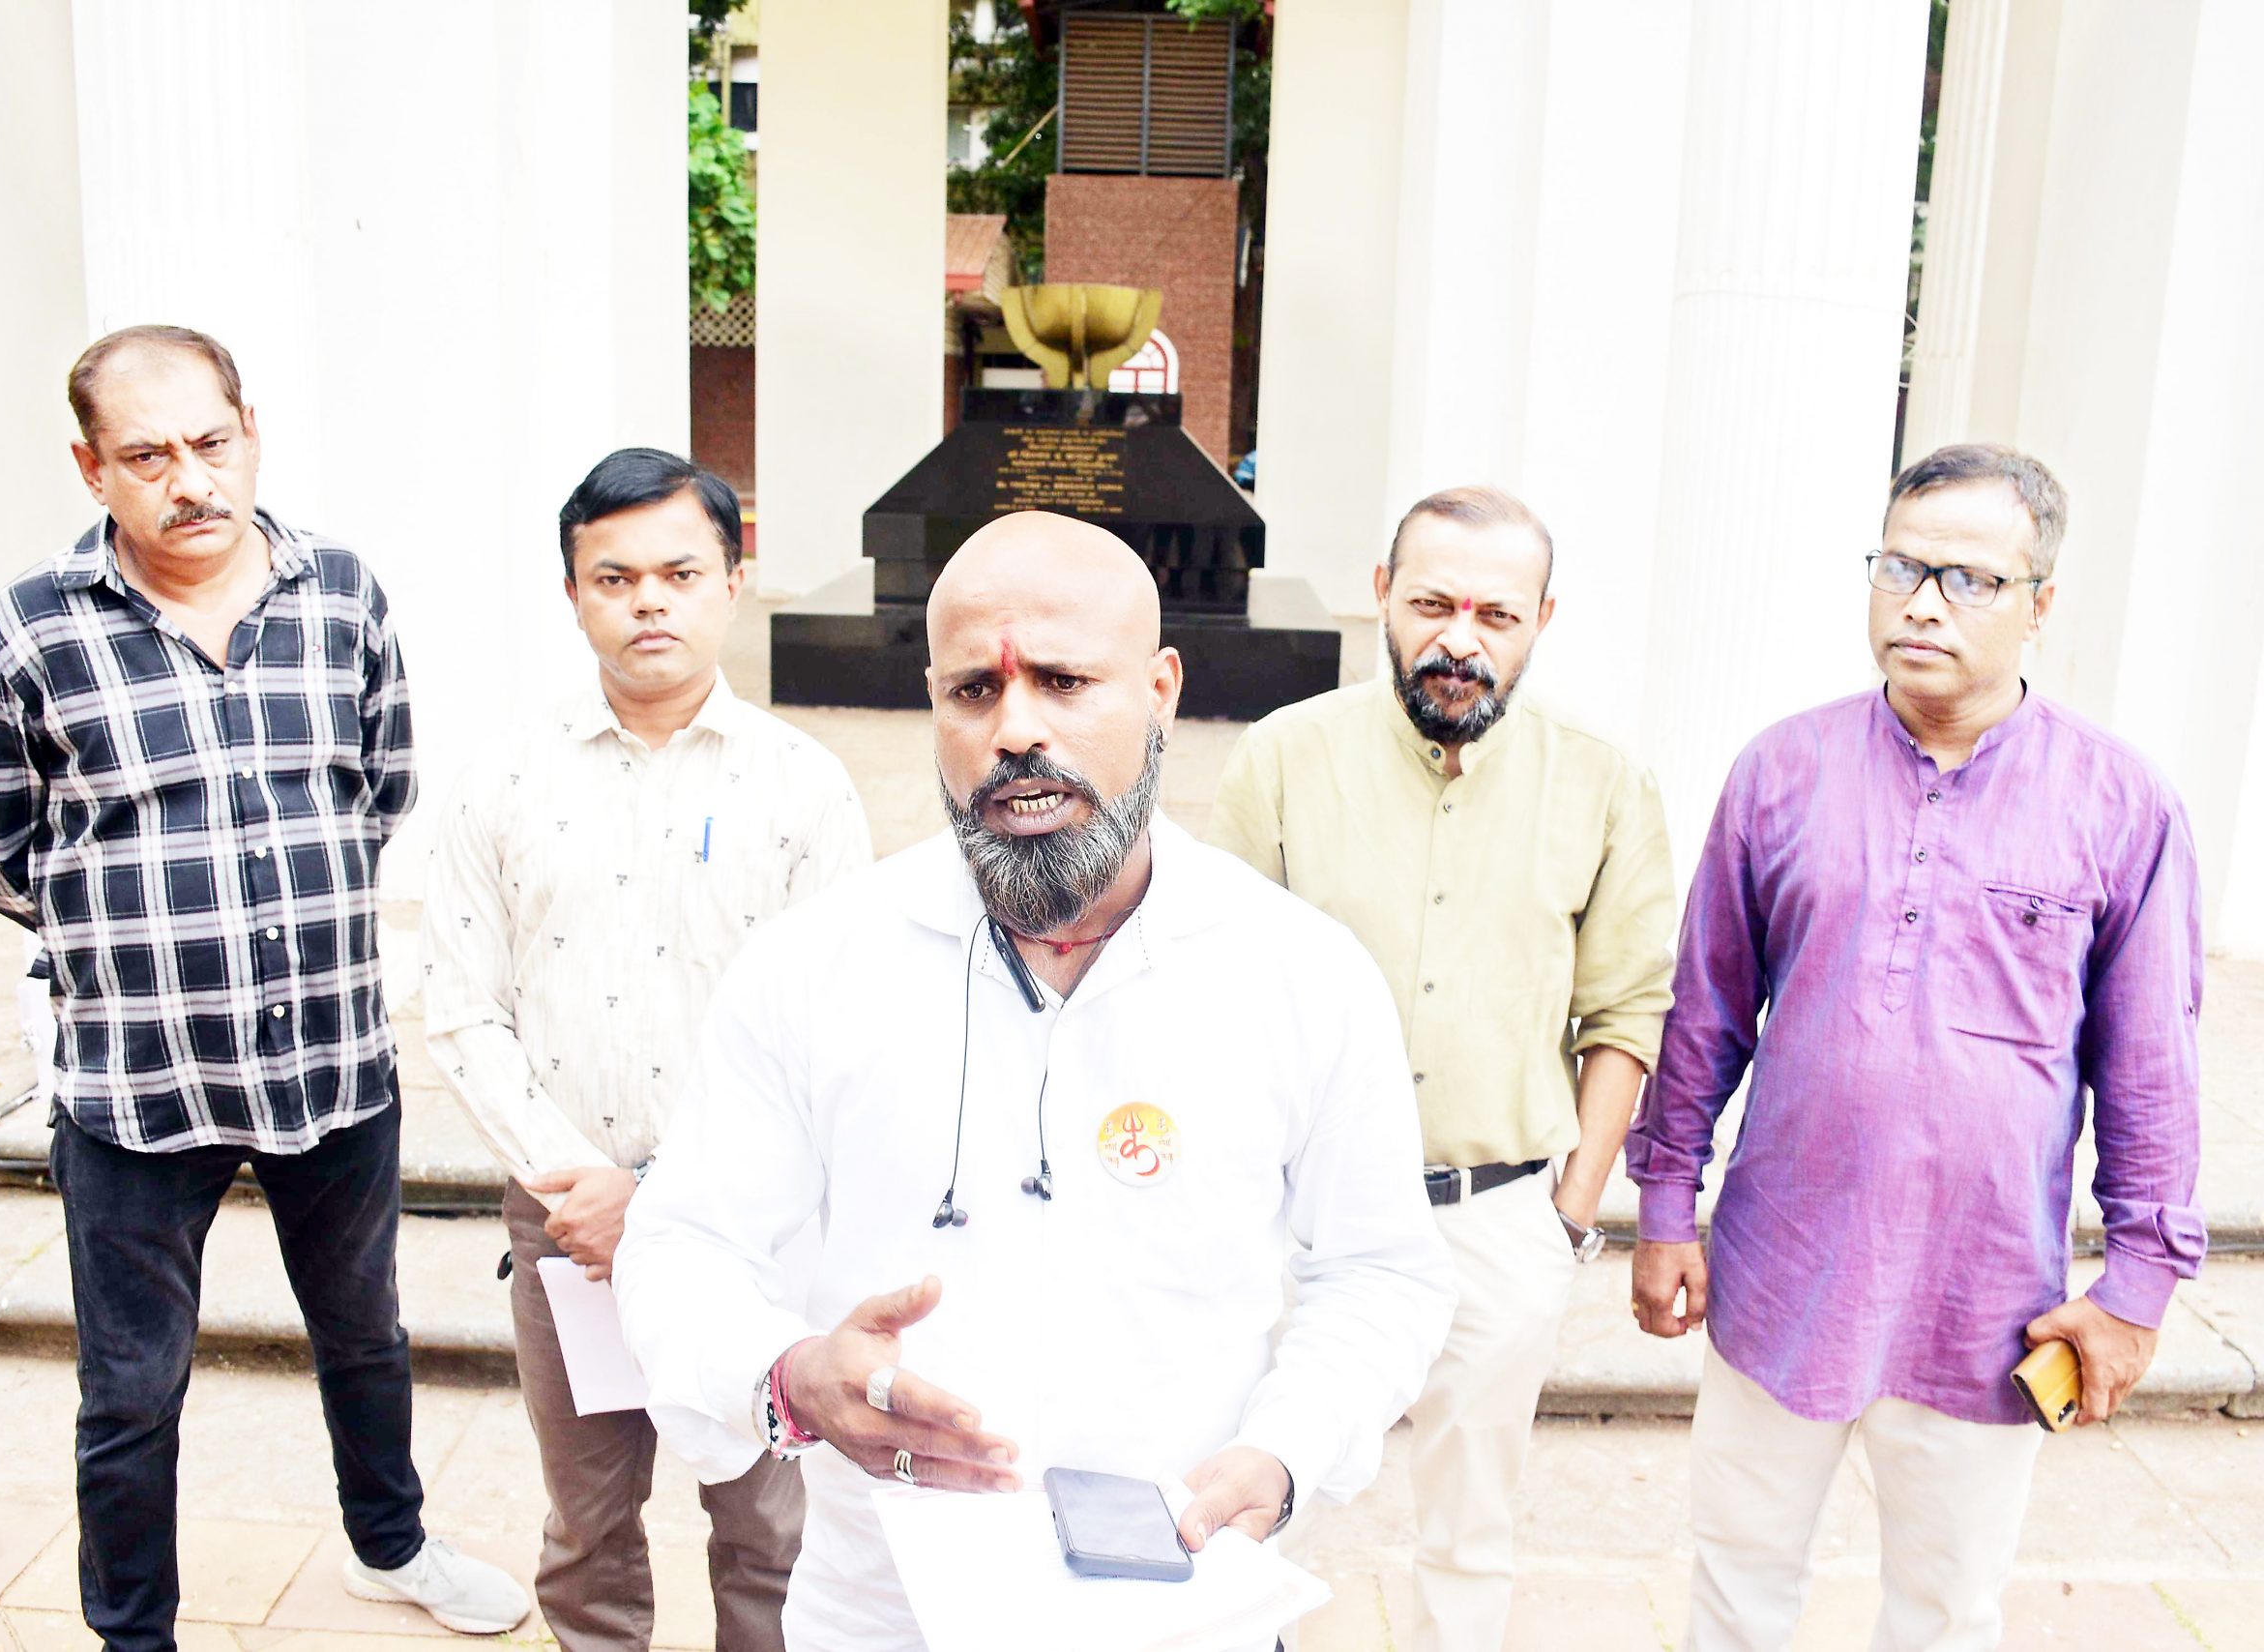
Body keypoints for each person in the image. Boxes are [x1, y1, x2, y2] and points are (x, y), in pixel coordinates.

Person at [609, 511, 1455, 1649]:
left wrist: (1286, 1451)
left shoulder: (1299, 973)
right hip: (885, 1616)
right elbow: (683, 1246)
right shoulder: (815, 965)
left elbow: (1379, 1272)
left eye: (1062, 681)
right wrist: (788, 1375)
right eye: (974, 690)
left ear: (1159, 690)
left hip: (1183, 1613)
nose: (1015, 729)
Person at [0, 326, 525, 1649]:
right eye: (147, 455)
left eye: (210, 441)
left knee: (364, 1333)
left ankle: (390, 1545)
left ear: (250, 432)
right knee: (129, 1392)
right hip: (137, 1087)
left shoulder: (342, 594)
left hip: (329, 1062)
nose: (189, 479)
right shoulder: (24, 631)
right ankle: (134, 1633)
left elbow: (379, 786)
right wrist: (119, 932)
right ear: (91, 468)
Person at [1626, 444, 2205, 1652]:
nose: (1923, 602)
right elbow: (1706, 1011)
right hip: (1780, 1272)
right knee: (1736, 1586)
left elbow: (2150, 1068)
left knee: (1944, 1615)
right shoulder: (1780, 771)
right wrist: (1667, 1202)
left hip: (1983, 1301)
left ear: (2040, 605)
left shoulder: (2120, 803)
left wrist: (2137, 1285)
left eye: (1970, 579)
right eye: (1899, 567)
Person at [1208, 486, 1676, 1650]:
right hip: (1303, 1222)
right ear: (1381, 594)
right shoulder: (1283, 759)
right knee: (1255, 1509)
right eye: (1431, 603)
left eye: (1495, 614)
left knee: (1470, 1535)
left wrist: (1566, 1216)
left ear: (1539, 620)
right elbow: (1217, 988)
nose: (1458, 638)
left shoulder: (1603, 782)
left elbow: (1626, 1011)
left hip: (1497, 1223)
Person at [422, 447, 871, 1651]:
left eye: (680, 572)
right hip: (566, 1221)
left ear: (733, 580)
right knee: (588, 1520)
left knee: (769, 1526)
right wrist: (579, 1184)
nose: (649, 602)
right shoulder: (502, 779)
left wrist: (668, 1198)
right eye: (614, 578)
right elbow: (460, 1005)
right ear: (573, 594)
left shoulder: (803, 785)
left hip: (751, 1228)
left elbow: (834, 1027)